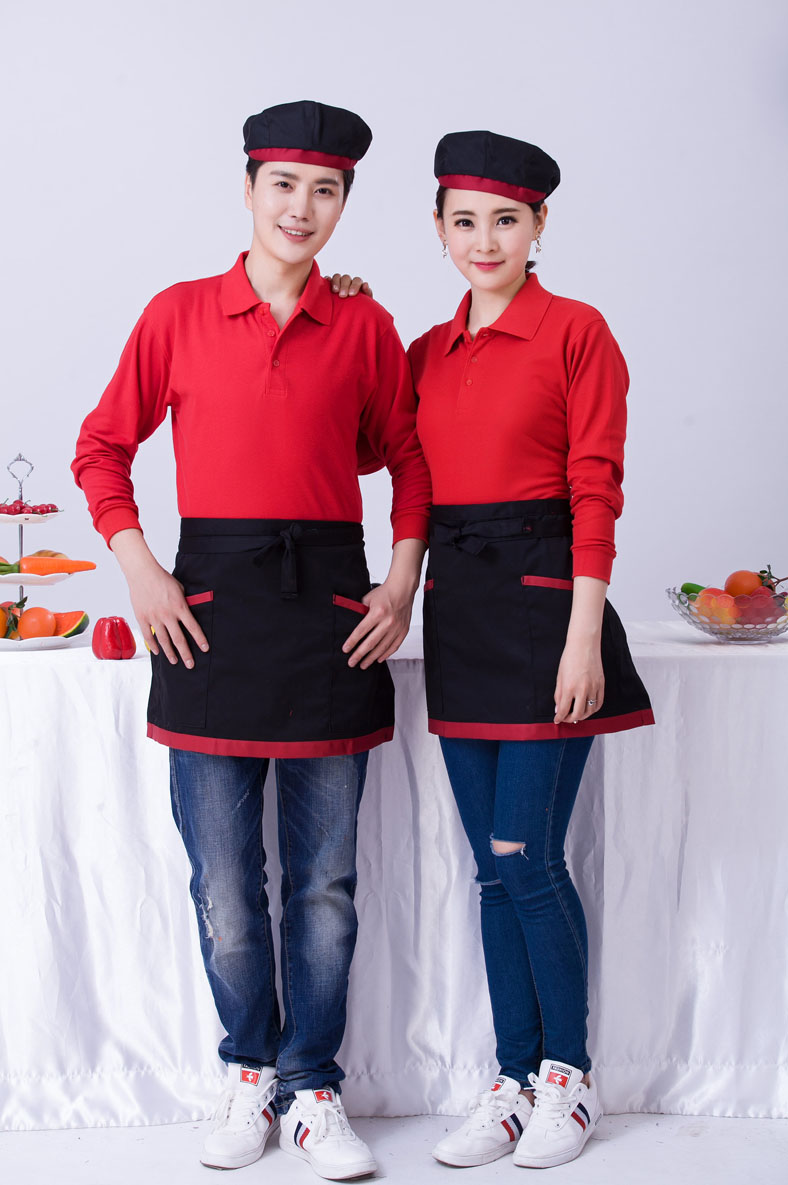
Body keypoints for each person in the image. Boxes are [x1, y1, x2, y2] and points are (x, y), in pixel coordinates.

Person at [72, 99, 430, 1180]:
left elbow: (406, 458)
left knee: (324, 885)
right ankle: (247, 1069)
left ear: (344, 205)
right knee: (225, 888)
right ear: (247, 188)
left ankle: (312, 1087)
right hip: (209, 613)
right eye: (283, 185)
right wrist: (143, 570)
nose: (301, 208)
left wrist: (401, 579)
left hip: (330, 614)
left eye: (325, 190)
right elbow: (101, 448)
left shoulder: (363, 324)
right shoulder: (177, 313)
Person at [406, 130, 655, 1170]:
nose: (485, 239)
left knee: (528, 857)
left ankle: (569, 1079)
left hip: (551, 611)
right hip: (460, 615)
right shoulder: (425, 351)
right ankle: (511, 1083)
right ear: (438, 228)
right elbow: (394, 464)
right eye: (464, 220)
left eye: (505, 219)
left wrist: (582, 633)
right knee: (490, 871)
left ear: (539, 224)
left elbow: (596, 485)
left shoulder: (577, 331)